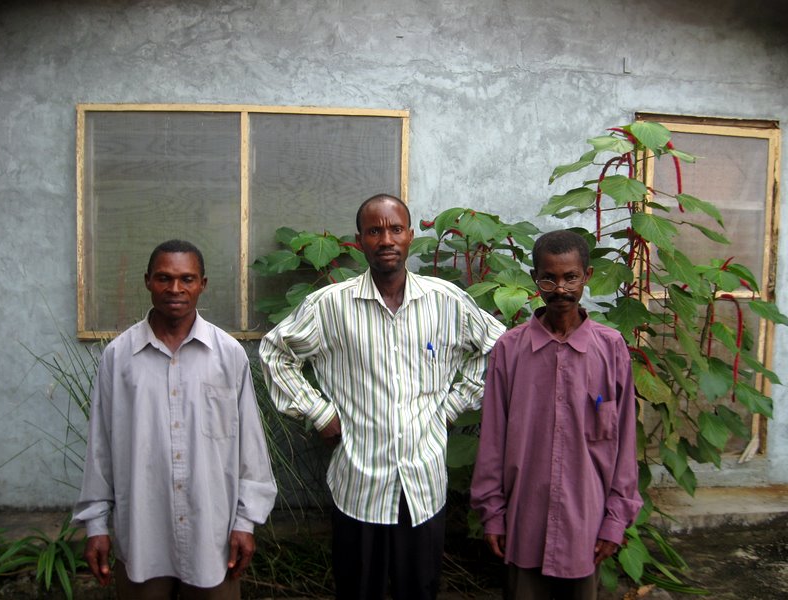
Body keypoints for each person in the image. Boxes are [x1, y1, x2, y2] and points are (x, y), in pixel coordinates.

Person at [259, 194, 505, 600]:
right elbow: (275, 353)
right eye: (374, 231)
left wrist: (454, 405)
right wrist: (318, 412)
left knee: (419, 590)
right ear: (359, 240)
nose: (386, 239)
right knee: (358, 590)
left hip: (423, 483)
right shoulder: (330, 307)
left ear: (410, 235)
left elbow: (498, 349)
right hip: (359, 483)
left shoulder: (446, 302)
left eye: (395, 229)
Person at [73, 239, 278, 599]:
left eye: (187, 279)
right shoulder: (118, 358)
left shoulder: (228, 355)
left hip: (213, 540)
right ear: (147, 281)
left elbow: (251, 448)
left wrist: (246, 522)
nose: (175, 289)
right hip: (143, 538)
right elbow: (100, 448)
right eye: (164, 278)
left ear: (202, 284)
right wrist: (96, 525)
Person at [470, 230, 642, 600]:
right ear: (535, 279)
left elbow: (625, 444)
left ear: (587, 276)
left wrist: (616, 520)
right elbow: (492, 441)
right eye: (549, 278)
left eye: (571, 278)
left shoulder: (611, 349)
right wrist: (493, 513)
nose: (560, 289)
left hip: (586, 528)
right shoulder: (510, 350)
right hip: (524, 523)